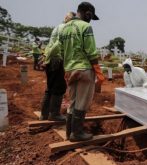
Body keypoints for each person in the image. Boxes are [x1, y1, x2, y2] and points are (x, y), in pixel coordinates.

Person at [59, 1, 104, 142]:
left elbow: (61, 51)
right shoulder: (86, 26)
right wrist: (98, 72)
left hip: (70, 69)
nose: (91, 19)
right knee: (82, 102)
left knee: (72, 102)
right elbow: (91, 51)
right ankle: (77, 134)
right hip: (84, 69)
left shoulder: (64, 28)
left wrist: (67, 69)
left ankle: (69, 133)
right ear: (88, 13)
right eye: (91, 16)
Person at [39, 12, 76, 121]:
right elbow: (57, 45)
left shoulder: (57, 27)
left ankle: (44, 114)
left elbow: (51, 43)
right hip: (57, 60)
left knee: (49, 87)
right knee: (59, 87)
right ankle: (54, 114)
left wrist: (46, 58)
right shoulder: (66, 28)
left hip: (51, 59)